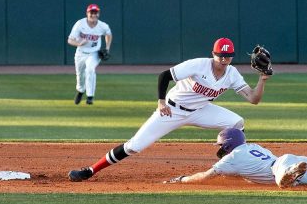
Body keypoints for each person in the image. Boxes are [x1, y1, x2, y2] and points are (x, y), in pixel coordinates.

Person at [68, 37, 271, 181]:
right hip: (172, 110)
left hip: (201, 110)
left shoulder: (232, 74)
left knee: (237, 122)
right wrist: (161, 101)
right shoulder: (198, 65)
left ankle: (234, 163)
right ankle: (91, 170)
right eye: (220, 56)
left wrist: (262, 79)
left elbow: (253, 99)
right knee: (134, 146)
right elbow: (164, 75)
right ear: (213, 54)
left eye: (228, 56)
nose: (224, 59)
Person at [163, 128, 307, 188]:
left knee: (282, 182)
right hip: (286, 159)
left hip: (283, 167)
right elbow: (244, 173)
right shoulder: (249, 147)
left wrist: (181, 179)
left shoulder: (229, 159)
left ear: (226, 145)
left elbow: (205, 177)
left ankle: (293, 173)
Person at [68, 4, 113, 105]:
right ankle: (80, 91)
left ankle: (90, 96)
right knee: (80, 75)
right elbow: (70, 40)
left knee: (90, 69)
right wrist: (78, 43)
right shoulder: (80, 24)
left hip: (94, 53)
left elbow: (108, 34)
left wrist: (107, 48)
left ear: (98, 14)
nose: (93, 15)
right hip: (80, 53)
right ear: (87, 13)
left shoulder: (103, 26)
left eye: (95, 12)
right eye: (91, 13)